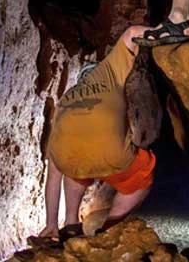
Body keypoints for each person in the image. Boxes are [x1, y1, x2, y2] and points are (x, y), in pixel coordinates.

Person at [37, 25, 156, 239]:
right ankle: (109, 228)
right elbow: (132, 33)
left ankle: (69, 224)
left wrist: (50, 223)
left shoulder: (66, 100)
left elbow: (53, 172)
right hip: (112, 155)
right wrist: (170, 28)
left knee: (72, 164)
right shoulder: (109, 73)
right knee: (143, 176)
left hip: (68, 157)